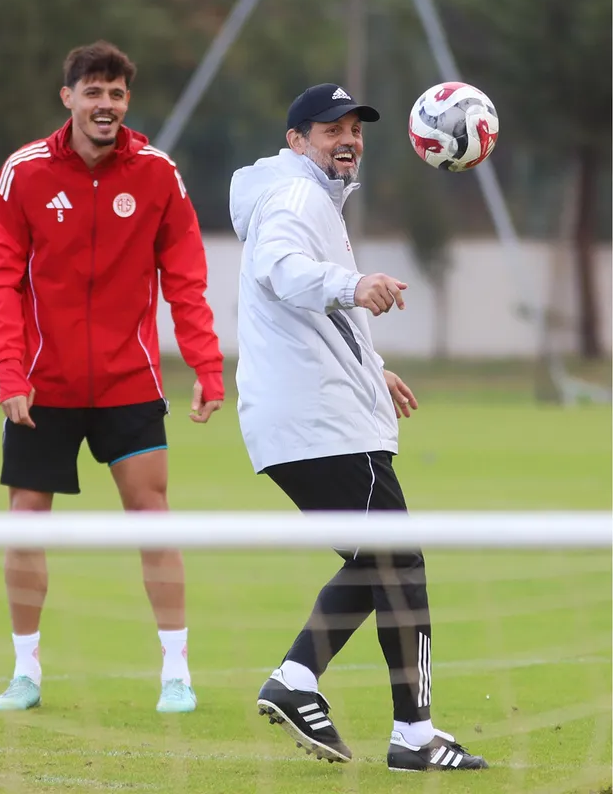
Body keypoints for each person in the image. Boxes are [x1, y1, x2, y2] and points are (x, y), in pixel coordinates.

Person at [228, 83, 487, 771]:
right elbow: (283, 270)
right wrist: (352, 284)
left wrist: (374, 368)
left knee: (376, 562)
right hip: (321, 420)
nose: (347, 140)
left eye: (355, 129)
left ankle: (296, 679)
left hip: (314, 415)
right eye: (330, 130)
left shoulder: (309, 197)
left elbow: (312, 315)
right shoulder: (295, 197)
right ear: (296, 141)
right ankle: (413, 735)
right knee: (399, 561)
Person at [0, 41, 223, 715]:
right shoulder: (24, 172)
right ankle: (24, 673)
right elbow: (1, 280)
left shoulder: (158, 174)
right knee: (26, 524)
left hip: (129, 382)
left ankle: (176, 674)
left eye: (116, 93)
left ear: (127, 102)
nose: (105, 104)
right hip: (43, 386)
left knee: (153, 519)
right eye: (93, 92)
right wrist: (10, 371)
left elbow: (185, 278)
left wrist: (205, 365)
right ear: (68, 98)